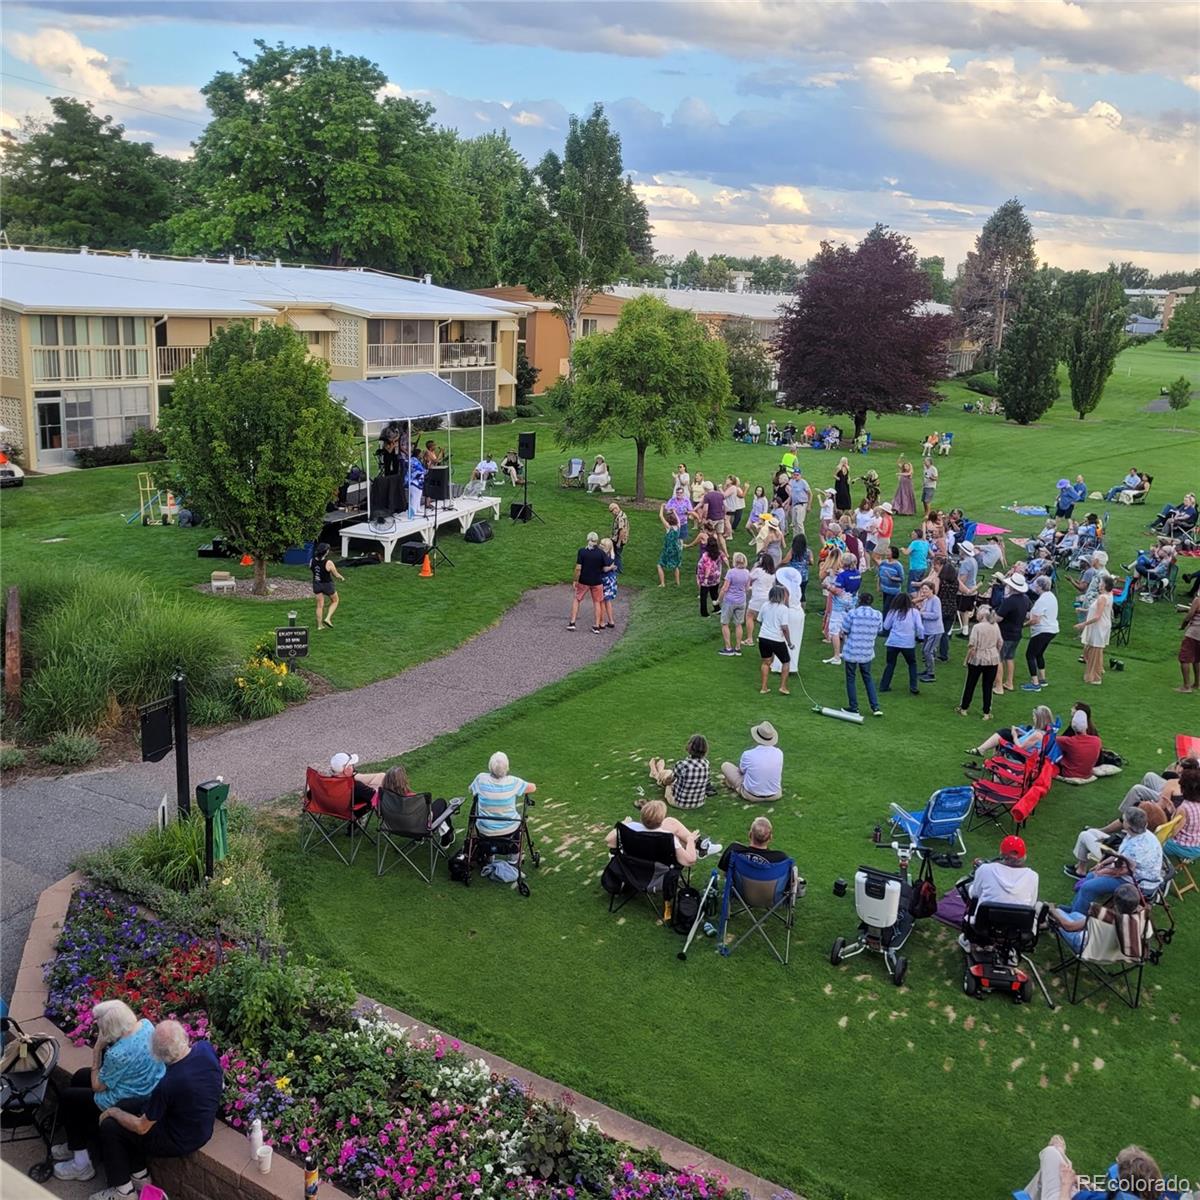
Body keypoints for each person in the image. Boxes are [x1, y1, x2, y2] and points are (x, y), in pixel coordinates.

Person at [90, 1020, 222, 1200]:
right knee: (127, 1105)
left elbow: (141, 1127)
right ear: (183, 1036)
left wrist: (112, 1112)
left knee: (111, 1126)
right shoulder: (205, 1049)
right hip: (198, 1123)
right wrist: (120, 1110)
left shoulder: (169, 1083)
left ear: (159, 1056)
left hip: (181, 1139)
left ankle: (123, 1192)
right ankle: (140, 1176)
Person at [52, 1001, 165, 1185]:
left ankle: (81, 1164)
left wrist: (97, 1050)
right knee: (80, 1076)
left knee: (69, 1098)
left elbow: (97, 1086)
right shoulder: (146, 1025)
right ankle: (81, 1143)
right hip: (147, 1086)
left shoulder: (118, 1054)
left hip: (128, 1098)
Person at [1065, 807, 1162, 911]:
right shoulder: (1142, 835)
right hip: (1135, 877)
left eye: (1124, 819)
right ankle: (1074, 909)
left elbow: (1122, 871)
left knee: (1088, 887)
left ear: (1128, 825)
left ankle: (1077, 917)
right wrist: (1102, 864)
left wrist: (1102, 872)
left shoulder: (1136, 848)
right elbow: (1119, 855)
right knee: (1090, 876)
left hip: (1137, 883)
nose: (1121, 820)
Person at [605, 799, 719, 868]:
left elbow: (609, 841)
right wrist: (690, 841)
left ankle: (700, 847)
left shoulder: (629, 828)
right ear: (660, 820)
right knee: (675, 828)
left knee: (671, 822)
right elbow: (690, 860)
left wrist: (624, 823)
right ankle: (699, 847)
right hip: (657, 867)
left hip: (635, 861)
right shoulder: (668, 838)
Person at [470, 751, 536, 837]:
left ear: (490, 765)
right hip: (510, 828)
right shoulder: (513, 782)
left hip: (484, 829)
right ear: (507, 767)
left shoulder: (481, 778)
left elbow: (471, 790)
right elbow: (533, 787)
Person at [841, 591, 884, 717]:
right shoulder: (878, 614)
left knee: (851, 678)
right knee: (867, 678)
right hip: (867, 651)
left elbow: (845, 630)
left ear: (860, 601)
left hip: (852, 650)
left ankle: (854, 707)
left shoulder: (853, 613)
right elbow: (879, 629)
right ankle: (875, 707)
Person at [957, 603, 1002, 718]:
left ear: (981, 615)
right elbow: (1000, 642)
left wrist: (966, 660)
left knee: (970, 684)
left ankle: (964, 708)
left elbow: (972, 646)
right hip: (992, 659)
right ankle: (986, 712)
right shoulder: (995, 626)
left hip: (978, 658)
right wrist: (995, 652)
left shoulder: (977, 627)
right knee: (988, 686)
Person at [721, 721, 784, 803]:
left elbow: (741, 771)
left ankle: (735, 786)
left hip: (751, 795)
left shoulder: (748, 754)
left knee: (725, 765)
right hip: (775, 794)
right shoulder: (779, 753)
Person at [969, 835, 1040, 907]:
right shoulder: (1033, 876)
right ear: (1024, 856)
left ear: (1002, 854)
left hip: (985, 914)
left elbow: (974, 895)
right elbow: (1032, 903)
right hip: (1019, 914)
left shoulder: (985, 869)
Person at [646, 734, 711, 810]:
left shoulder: (682, 765)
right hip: (699, 803)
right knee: (671, 774)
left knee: (668, 774)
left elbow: (668, 781)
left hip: (679, 803)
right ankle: (658, 771)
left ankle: (655, 773)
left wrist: (662, 782)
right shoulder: (706, 764)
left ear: (690, 747)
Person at [878, 592, 923, 696]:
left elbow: (886, 626)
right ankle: (913, 686)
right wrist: (920, 638)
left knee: (890, 664)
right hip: (908, 643)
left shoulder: (893, 611)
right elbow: (920, 627)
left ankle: (884, 685)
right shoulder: (914, 612)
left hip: (893, 642)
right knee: (912, 664)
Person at [968, 704, 1054, 758]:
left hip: (1021, 754)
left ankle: (985, 753)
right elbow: (1031, 737)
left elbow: (1020, 748)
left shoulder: (1038, 735)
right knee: (1005, 732)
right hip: (1024, 746)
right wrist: (1021, 731)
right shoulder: (1045, 729)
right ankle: (981, 750)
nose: (1033, 718)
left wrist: (1014, 735)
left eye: (1034, 717)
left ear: (1039, 719)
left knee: (1004, 735)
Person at [995, 574, 1032, 696]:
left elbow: (999, 618)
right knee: (1009, 658)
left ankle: (998, 687)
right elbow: (1028, 615)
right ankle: (1009, 683)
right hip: (1017, 634)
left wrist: (991, 617)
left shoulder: (1009, 601)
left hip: (1005, 634)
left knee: (999, 659)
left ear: (1012, 586)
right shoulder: (1026, 599)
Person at [1021, 575, 1059, 692]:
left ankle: (1035, 683)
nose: (1035, 587)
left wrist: (1023, 625)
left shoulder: (1042, 600)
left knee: (1030, 655)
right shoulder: (1051, 596)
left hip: (1042, 630)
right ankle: (1042, 679)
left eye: (1036, 585)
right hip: (1052, 630)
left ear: (1040, 586)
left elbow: (1035, 620)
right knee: (1039, 654)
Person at [822, 552, 860, 667]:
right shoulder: (857, 573)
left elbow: (837, 591)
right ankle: (847, 652)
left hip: (839, 606)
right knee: (847, 628)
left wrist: (827, 586)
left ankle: (836, 657)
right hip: (851, 604)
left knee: (834, 630)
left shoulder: (842, 576)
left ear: (844, 563)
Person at [755, 584, 795, 695]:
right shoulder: (783, 609)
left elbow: (759, 620)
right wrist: (789, 643)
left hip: (763, 637)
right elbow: (784, 628)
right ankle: (783, 687)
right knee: (786, 661)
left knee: (766, 662)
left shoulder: (765, 605)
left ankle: (764, 687)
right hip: (777, 639)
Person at [717, 815, 791, 874]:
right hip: (767, 889)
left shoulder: (734, 850)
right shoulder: (781, 859)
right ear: (770, 838)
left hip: (738, 888)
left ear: (750, 834)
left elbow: (724, 870)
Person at [1076, 575, 1115, 685]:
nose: (1099, 585)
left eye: (1101, 583)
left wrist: (1083, 624)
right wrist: (1083, 610)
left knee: (1094, 652)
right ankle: (1097, 672)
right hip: (1100, 626)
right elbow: (1095, 609)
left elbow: (1097, 616)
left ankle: (1095, 677)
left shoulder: (1103, 598)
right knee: (1093, 651)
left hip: (1099, 627)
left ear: (1104, 585)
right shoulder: (1108, 595)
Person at [568, 531, 607, 633]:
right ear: (597, 540)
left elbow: (578, 568)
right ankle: (596, 626)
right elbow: (605, 567)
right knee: (597, 602)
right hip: (597, 581)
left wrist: (575, 580)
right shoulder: (601, 553)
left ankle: (572, 623)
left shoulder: (582, 552)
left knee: (577, 599)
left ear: (587, 539)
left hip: (584, 580)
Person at [1162, 768, 1200, 865]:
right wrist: (1174, 811)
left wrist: (1171, 815)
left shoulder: (1184, 808)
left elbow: (1173, 832)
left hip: (1185, 847)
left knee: (1155, 842)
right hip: (1197, 844)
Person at [718, 551, 751, 655]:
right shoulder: (747, 572)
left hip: (729, 601)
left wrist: (719, 600)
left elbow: (725, 588)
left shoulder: (731, 572)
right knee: (738, 624)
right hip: (741, 601)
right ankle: (738, 648)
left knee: (725, 623)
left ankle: (728, 648)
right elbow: (747, 588)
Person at [1056, 705, 1102, 780]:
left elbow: (1050, 740)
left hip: (1069, 773)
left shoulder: (1068, 741)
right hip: (1087, 774)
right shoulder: (1097, 740)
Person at [310, 542, 344, 629]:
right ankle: (328, 618)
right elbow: (336, 574)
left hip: (317, 584)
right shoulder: (328, 562)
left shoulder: (311, 560)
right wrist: (341, 577)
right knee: (335, 601)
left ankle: (319, 626)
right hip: (327, 585)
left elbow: (312, 569)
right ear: (326, 552)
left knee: (319, 605)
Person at [915, 581, 944, 683]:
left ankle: (931, 674)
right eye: (922, 589)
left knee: (928, 651)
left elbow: (936, 615)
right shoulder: (926, 600)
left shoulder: (935, 600)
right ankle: (927, 670)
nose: (923, 591)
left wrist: (922, 614)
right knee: (924, 650)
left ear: (932, 590)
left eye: (926, 589)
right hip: (927, 630)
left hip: (935, 631)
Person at [745, 553, 777, 642]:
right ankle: (763, 637)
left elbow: (749, 577)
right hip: (768, 598)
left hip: (757, 598)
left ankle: (749, 638)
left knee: (750, 616)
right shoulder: (772, 574)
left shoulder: (758, 571)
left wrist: (754, 566)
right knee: (765, 619)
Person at [1178, 591, 1200, 693]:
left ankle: (1186, 687)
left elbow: (1190, 615)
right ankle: (1196, 684)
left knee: (1184, 659)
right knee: (1197, 659)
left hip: (1193, 634)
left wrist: (1182, 626)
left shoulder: (1198, 600)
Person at [656, 509, 682, 587]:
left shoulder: (668, 527)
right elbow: (678, 519)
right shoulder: (678, 526)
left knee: (659, 565)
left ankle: (662, 583)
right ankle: (678, 583)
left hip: (668, 550)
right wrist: (674, 512)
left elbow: (661, 516)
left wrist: (662, 507)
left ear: (668, 521)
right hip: (676, 549)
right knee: (676, 566)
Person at [598, 536, 618, 629]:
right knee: (608, 601)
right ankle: (611, 621)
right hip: (612, 579)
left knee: (601, 601)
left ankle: (601, 622)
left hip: (604, 579)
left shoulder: (603, 556)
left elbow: (605, 569)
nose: (600, 545)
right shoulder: (612, 555)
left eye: (602, 544)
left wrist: (610, 567)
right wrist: (612, 567)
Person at [878, 546, 905, 614]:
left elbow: (902, 579)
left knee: (887, 609)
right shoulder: (883, 563)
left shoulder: (898, 566)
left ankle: (885, 619)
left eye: (888, 551)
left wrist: (892, 578)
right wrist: (878, 586)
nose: (886, 553)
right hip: (884, 590)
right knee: (885, 606)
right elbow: (879, 575)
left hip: (893, 592)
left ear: (893, 553)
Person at [608, 502, 629, 573]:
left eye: (612, 511)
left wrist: (619, 542)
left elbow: (622, 531)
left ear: (616, 508)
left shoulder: (620, 518)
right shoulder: (621, 514)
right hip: (617, 538)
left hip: (619, 540)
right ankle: (615, 567)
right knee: (615, 553)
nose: (612, 513)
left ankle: (618, 569)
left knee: (617, 554)